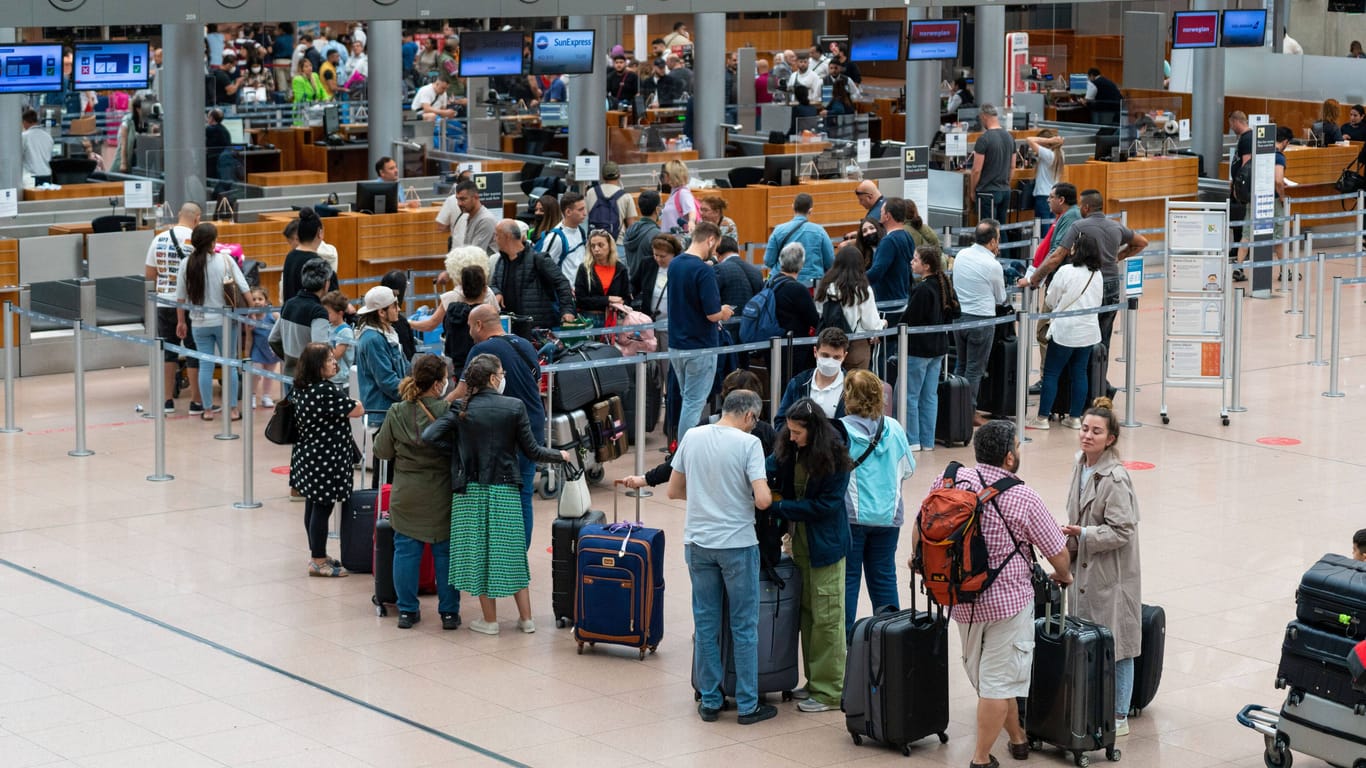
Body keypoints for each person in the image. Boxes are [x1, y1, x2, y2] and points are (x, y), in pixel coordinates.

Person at [914, 420, 1073, 768]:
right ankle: (981, 758)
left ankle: (1017, 739)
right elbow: (1057, 550)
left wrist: (920, 565)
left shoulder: (947, 482)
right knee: (999, 682)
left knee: (991, 677)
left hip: (959, 600)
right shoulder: (1023, 496)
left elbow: (921, 527)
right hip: (1008, 605)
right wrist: (1065, 575)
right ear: (1009, 457)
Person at [422, 353, 569, 636]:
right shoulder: (514, 406)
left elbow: (429, 437)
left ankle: (489, 621)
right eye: (501, 374)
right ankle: (526, 619)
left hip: (470, 492)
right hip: (505, 490)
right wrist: (559, 455)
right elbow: (533, 451)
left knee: (478, 554)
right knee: (512, 553)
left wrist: (457, 452)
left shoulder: (460, 409)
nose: (503, 379)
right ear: (492, 378)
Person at [669, 389, 777, 725]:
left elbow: (673, 490)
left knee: (706, 624)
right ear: (749, 416)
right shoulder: (749, 445)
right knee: (744, 625)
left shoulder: (693, 435)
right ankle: (747, 705)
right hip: (738, 544)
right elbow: (762, 500)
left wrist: (707, 496)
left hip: (698, 543)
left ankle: (711, 701)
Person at [766, 397, 852, 714]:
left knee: (827, 618)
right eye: (789, 431)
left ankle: (831, 691)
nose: (791, 437)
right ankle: (815, 681)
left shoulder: (835, 460)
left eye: (797, 432)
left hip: (826, 547)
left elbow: (825, 507)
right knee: (807, 616)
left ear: (813, 431)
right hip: (801, 546)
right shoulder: (791, 450)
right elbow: (770, 465)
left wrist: (778, 506)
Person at [1063, 397, 1143, 736]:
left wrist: (1083, 534)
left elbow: (1123, 530)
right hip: (1084, 569)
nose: (1087, 435)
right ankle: (1092, 702)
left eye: (1096, 431)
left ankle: (1119, 714)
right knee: (1090, 636)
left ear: (1110, 438)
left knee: (1118, 643)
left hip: (1111, 575)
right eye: (1084, 428)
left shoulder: (1115, 478)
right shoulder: (1080, 466)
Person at [449, 305, 550, 550]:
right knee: (524, 495)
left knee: (499, 496)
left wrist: (432, 407)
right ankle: (519, 555)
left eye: (470, 327)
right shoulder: (525, 344)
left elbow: (463, 392)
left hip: (504, 431)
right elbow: (534, 384)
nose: (470, 332)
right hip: (533, 424)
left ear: (479, 325)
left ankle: (498, 555)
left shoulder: (481, 350)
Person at [374, 354, 461, 630]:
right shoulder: (451, 413)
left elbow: (382, 450)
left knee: (406, 551)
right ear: (438, 384)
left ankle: (407, 612)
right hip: (442, 492)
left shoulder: (397, 411)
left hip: (406, 492)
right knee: (445, 553)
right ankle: (449, 613)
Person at [840, 370, 913, 638]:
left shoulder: (841, 430)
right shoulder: (894, 427)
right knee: (884, 577)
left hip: (852, 520)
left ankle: (847, 642)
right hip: (888, 518)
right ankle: (890, 639)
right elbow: (907, 470)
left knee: (848, 580)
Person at [290, 342, 364, 576]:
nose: (335, 363)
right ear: (317, 366)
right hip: (326, 458)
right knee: (323, 507)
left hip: (308, 454)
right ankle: (318, 560)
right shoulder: (325, 390)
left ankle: (317, 552)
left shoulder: (300, 387)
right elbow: (357, 409)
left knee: (313, 505)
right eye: (330, 359)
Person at [1048, 189, 1148, 358]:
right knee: (1104, 337)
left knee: (1082, 335)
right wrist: (1118, 256)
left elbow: (1057, 255)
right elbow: (1142, 242)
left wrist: (1034, 279)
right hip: (1112, 284)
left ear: (1086, 207)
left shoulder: (1079, 226)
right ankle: (1099, 379)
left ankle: (1081, 377)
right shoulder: (1115, 226)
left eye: (1081, 205)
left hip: (1090, 282)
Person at [175, 223, 249, 422]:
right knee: (230, 365)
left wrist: (181, 321)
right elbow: (244, 287)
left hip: (199, 323)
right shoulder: (225, 260)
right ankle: (233, 409)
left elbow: (180, 298)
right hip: (226, 322)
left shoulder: (186, 264)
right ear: (213, 242)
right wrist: (252, 314)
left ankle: (207, 410)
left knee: (205, 365)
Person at [1029, 233, 1103, 431]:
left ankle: (1043, 417)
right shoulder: (1098, 274)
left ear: (1077, 250)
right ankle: (1076, 417)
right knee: (1079, 373)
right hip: (1088, 331)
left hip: (1065, 330)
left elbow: (1051, 299)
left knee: (1052, 373)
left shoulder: (1065, 271)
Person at [668, 221, 732, 441]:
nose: (715, 252)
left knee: (687, 399)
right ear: (711, 239)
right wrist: (724, 312)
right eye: (715, 246)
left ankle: (682, 452)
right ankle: (686, 456)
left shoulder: (675, 264)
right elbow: (712, 314)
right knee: (694, 403)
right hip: (700, 345)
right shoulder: (703, 271)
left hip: (676, 343)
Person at [145, 203, 203, 414]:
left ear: (180, 214)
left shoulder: (158, 238)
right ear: (197, 219)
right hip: (188, 303)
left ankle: (167, 401)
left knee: (168, 352)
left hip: (164, 302)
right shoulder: (196, 241)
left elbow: (150, 274)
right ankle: (196, 401)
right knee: (193, 351)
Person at [952, 220, 1006, 425]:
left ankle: (955, 407)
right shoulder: (992, 265)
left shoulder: (961, 255)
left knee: (961, 364)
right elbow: (1001, 298)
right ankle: (969, 412)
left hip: (959, 318)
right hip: (981, 320)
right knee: (975, 369)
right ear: (992, 241)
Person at [905, 245, 958, 450]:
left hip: (919, 349)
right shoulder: (943, 284)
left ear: (926, 266)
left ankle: (913, 439)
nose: (912, 262)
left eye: (916, 259)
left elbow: (910, 319)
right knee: (929, 396)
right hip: (938, 348)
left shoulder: (922, 289)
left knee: (911, 395)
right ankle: (927, 440)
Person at [489, 220, 576, 338]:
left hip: (536, 328)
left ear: (507, 237)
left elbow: (562, 282)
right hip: (510, 328)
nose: (495, 239)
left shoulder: (538, 259)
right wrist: (497, 292)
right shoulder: (501, 262)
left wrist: (567, 311)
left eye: (497, 235)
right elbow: (494, 284)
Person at [816, 246, 884, 370]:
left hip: (827, 345)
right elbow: (871, 325)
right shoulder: (862, 289)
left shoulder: (824, 286)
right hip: (856, 345)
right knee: (855, 387)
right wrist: (882, 323)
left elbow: (820, 312)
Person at [354, 286, 409, 437]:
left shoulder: (388, 333)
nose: (399, 309)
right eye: (394, 306)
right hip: (383, 414)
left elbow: (405, 367)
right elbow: (387, 381)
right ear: (381, 312)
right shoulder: (373, 339)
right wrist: (414, 393)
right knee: (386, 460)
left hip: (391, 411)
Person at [270, 258, 334, 383]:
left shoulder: (289, 304)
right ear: (326, 284)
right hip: (310, 379)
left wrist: (290, 359)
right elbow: (320, 348)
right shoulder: (318, 311)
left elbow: (273, 339)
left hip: (289, 375)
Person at [775, 327, 849, 430]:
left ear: (844, 356)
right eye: (825, 355)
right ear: (815, 352)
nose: (830, 362)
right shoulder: (798, 383)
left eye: (836, 357)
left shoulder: (852, 387)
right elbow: (780, 422)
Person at [771, 242, 821, 376]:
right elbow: (814, 319)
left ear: (781, 261)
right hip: (795, 347)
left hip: (772, 343)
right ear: (801, 265)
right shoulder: (798, 289)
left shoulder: (770, 283)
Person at [1021, 183, 1082, 290]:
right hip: (1058, 278)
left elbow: (1056, 254)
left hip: (1063, 282)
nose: (1048, 200)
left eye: (1051, 197)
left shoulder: (1071, 217)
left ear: (1061, 200)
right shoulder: (1065, 215)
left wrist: (1033, 279)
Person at [764, 193, 835, 284]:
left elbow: (768, 260)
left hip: (782, 283)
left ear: (793, 207)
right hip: (811, 284)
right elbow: (830, 261)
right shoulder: (819, 231)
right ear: (810, 211)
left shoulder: (779, 230)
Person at [866, 198, 916, 325]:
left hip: (887, 306)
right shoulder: (907, 236)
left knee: (885, 344)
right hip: (902, 299)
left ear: (888, 216)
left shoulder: (888, 241)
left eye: (882, 211)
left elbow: (877, 272)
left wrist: (855, 279)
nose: (880, 214)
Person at [574, 230, 632, 326]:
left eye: (601, 245)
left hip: (613, 319)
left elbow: (627, 297)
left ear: (610, 246)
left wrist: (621, 303)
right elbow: (580, 300)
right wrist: (607, 300)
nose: (596, 249)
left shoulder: (620, 268)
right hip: (589, 319)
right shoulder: (584, 268)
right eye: (593, 246)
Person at [971, 104, 1018, 224]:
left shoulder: (984, 139)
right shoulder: (1010, 137)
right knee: (1001, 229)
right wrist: (1006, 183)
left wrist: (972, 191)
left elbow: (976, 170)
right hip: (1005, 191)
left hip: (987, 192)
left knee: (988, 231)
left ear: (984, 116)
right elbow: (1013, 166)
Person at [281, 209, 338, 302]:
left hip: (291, 313)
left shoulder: (290, 257)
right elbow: (332, 302)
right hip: (313, 315)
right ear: (320, 233)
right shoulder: (319, 265)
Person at [714, 236, 764, 329]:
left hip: (728, 328)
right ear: (738, 250)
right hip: (752, 329)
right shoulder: (756, 272)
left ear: (717, 254)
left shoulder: (719, 269)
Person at [436, 179, 498, 253]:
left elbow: (475, 255)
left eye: (463, 199)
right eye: (457, 199)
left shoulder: (485, 220)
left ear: (476, 197)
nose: (459, 203)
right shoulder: (468, 216)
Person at [633, 232, 679, 328]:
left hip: (672, 324)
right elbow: (633, 285)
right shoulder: (647, 263)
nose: (658, 259)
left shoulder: (681, 268)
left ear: (673, 254)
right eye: (655, 255)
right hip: (649, 321)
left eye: (662, 256)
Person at [584, 162, 639, 239]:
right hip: (617, 241)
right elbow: (631, 226)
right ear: (619, 175)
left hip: (594, 242)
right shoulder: (626, 196)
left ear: (602, 176)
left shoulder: (590, 192)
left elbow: (584, 217)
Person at [544, 191, 589, 285]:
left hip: (580, 292)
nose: (585, 213)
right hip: (565, 295)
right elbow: (544, 267)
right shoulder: (556, 237)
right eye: (580, 209)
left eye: (584, 208)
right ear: (568, 212)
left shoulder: (580, 230)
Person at [246, 288, 280, 408]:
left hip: (271, 351)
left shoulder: (273, 315)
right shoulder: (251, 318)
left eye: (260, 299)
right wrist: (247, 355)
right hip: (257, 351)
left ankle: (266, 396)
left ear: (266, 302)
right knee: (256, 374)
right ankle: (252, 396)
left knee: (269, 375)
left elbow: (281, 331)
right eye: (254, 299)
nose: (257, 301)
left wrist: (279, 349)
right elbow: (249, 339)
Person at [1026, 129, 1066, 222]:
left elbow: (1029, 140)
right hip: (1054, 195)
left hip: (1043, 197)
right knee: (1050, 228)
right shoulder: (1060, 154)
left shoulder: (1048, 154)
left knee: (1042, 229)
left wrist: (1049, 140)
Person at [621, 190, 661, 277]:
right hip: (649, 284)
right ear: (657, 210)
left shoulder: (630, 229)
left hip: (632, 282)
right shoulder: (656, 234)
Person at [320, 290, 354, 388]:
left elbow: (336, 355)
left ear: (340, 313)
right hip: (329, 377)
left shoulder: (345, 331)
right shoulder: (329, 326)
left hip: (341, 380)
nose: (326, 315)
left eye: (329, 313)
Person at [838, 181, 885, 248]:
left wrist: (848, 243)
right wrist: (858, 233)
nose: (860, 203)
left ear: (869, 197)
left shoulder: (874, 216)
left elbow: (871, 239)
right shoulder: (884, 203)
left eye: (861, 200)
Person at [659, 160, 696, 235]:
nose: (663, 175)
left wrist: (691, 222)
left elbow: (691, 210)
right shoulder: (675, 192)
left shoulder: (683, 193)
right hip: (669, 237)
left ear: (672, 175)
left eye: (665, 173)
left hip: (677, 238)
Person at [21, 109, 53, 185]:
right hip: (47, 175)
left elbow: (18, 156)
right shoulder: (48, 136)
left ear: (25, 122)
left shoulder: (24, 136)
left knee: (32, 197)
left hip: (31, 177)